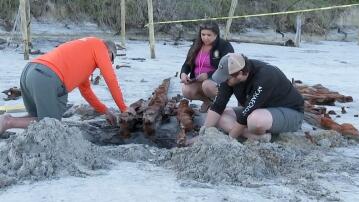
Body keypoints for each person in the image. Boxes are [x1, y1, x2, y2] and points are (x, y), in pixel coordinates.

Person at [0, 37, 129, 135]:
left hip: (30, 71)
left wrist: (105, 111)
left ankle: (6, 122)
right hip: (46, 76)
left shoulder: (85, 55)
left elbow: (86, 92)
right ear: (108, 50)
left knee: (37, 118)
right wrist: (124, 109)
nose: (110, 63)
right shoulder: (99, 45)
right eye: (111, 59)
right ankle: (8, 121)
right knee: (51, 123)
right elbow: (111, 79)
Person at [202, 53, 304, 141]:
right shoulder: (232, 75)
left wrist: (230, 139)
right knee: (220, 117)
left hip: (291, 112)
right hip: (258, 109)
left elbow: (245, 114)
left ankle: (251, 132)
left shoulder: (265, 76)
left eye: (227, 79)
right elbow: (218, 105)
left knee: (255, 120)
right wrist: (202, 135)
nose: (224, 81)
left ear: (240, 74)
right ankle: (253, 136)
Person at [180, 21, 234, 112]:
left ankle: (219, 104)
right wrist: (183, 74)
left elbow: (228, 68)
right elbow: (187, 63)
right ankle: (208, 102)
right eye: (203, 34)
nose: (205, 38)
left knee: (207, 85)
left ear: (216, 34)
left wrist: (208, 75)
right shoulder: (196, 44)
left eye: (209, 35)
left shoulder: (224, 46)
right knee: (186, 90)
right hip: (197, 79)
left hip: (216, 81)